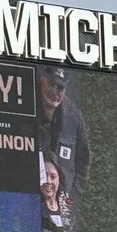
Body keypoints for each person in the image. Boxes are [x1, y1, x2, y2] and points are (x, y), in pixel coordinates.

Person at [37, 67, 91, 202]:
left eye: (60, 87)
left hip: (62, 203)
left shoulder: (74, 118)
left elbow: (84, 161)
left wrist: (73, 196)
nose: (55, 91)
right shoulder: (24, 107)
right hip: (30, 198)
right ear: (41, 78)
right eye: (51, 84)